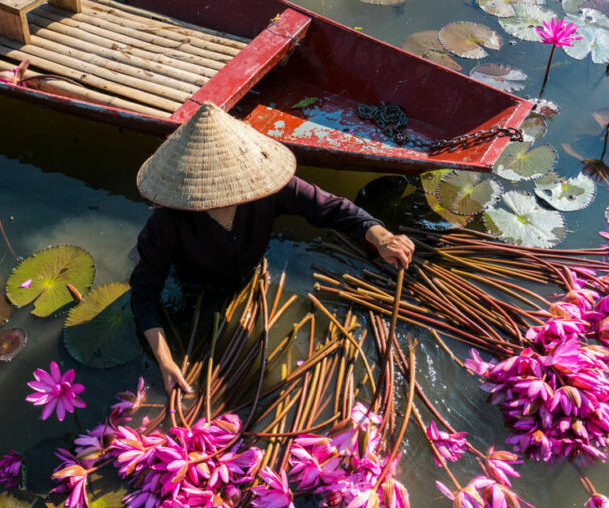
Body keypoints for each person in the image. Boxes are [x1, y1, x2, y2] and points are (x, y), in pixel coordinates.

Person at [130, 103, 414, 394]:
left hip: (248, 273)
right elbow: (143, 293)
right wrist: (165, 360)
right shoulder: (168, 220)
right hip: (194, 285)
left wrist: (379, 235)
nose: (223, 194)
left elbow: (330, 207)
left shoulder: (266, 188)